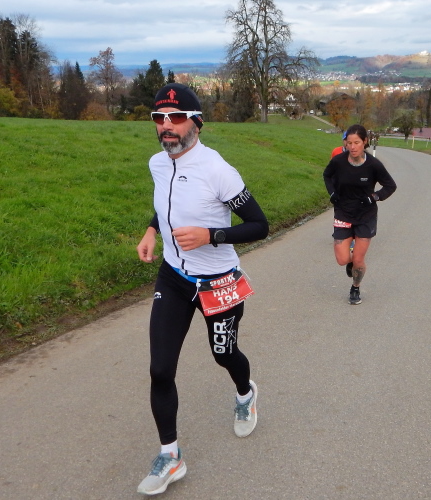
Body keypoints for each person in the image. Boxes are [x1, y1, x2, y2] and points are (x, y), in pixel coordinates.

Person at [135, 83, 269, 495]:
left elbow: (260, 225)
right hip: (174, 278)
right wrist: (152, 230)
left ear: (197, 123)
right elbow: (167, 204)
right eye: (159, 118)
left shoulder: (218, 170)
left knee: (224, 354)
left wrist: (211, 235)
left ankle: (245, 394)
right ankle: (171, 456)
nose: (166, 126)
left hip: (218, 282)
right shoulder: (158, 163)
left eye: (176, 118)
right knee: (160, 369)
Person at [323, 124, 397, 305]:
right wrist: (332, 193)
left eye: (356, 142)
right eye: (349, 143)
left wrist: (375, 197)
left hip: (365, 215)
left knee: (358, 259)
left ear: (365, 142)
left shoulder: (373, 165)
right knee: (342, 260)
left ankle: (355, 287)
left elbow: (390, 186)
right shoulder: (338, 161)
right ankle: (351, 263)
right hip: (343, 212)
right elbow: (327, 175)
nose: (353, 147)